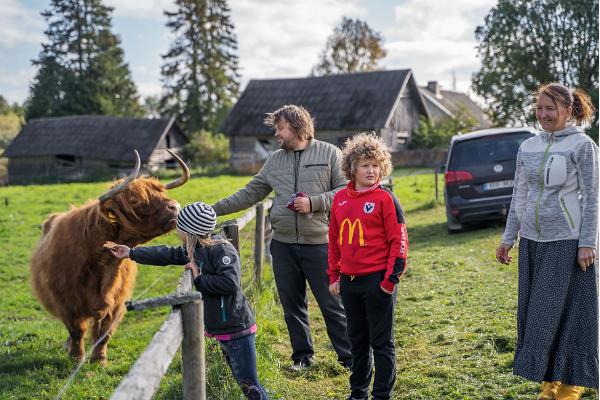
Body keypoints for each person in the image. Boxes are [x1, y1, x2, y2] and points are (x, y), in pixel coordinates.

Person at [212, 104, 352, 371]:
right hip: (283, 245)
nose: (277, 133)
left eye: (280, 128)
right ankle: (302, 358)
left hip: (321, 244)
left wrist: (314, 203)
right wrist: (212, 209)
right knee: (292, 305)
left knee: (332, 304)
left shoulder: (330, 154)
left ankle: (349, 359)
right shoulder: (275, 160)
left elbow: (346, 192)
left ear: (297, 127)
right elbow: (251, 192)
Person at [496, 83, 598, 400]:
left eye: (549, 109)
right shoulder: (528, 147)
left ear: (567, 111)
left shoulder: (582, 146)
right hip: (532, 241)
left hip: (567, 241)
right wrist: (508, 237)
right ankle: (549, 380)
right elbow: (520, 195)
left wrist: (587, 243)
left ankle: (571, 383)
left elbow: (593, 197)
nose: (543, 114)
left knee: (570, 312)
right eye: (539, 108)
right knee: (537, 314)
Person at [108, 202, 269, 399]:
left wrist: (199, 277)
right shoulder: (195, 248)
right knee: (243, 382)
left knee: (249, 384)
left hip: (237, 329)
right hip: (224, 329)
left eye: (180, 227)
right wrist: (131, 253)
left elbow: (230, 284)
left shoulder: (222, 251)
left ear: (191, 231)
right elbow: (167, 254)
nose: (176, 229)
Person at [328, 132, 408, 400]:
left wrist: (389, 281)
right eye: (365, 165)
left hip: (378, 283)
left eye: (375, 165)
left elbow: (399, 242)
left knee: (381, 343)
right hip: (349, 283)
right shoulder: (339, 199)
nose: (371, 170)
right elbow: (334, 242)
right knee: (358, 342)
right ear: (352, 167)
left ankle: (382, 394)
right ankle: (358, 392)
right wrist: (334, 276)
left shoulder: (386, 199)